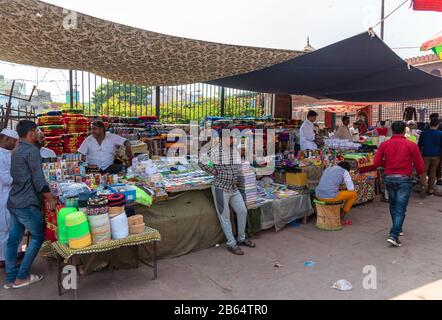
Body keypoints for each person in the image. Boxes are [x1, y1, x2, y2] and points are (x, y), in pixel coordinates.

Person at [5, 120, 57, 289]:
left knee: (13, 240)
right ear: (30, 133)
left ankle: (11, 277)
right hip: (26, 203)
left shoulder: (16, 150)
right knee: (38, 236)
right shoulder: (32, 151)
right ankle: (21, 277)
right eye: (36, 131)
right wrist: (50, 197)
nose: (38, 133)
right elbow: (38, 180)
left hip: (14, 201)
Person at [199, 135, 255, 255]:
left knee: (242, 211)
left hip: (233, 188)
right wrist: (213, 171)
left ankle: (241, 238)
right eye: (229, 138)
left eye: (232, 138)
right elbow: (202, 162)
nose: (231, 140)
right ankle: (231, 243)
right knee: (225, 216)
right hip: (221, 188)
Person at [374, 121, 424, 247]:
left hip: (389, 177)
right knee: (401, 207)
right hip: (404, 178)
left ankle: (398, 228)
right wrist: (420, 172)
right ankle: (394, 234)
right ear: (404, 131)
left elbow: (376, 162)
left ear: (392, 130)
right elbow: (419, 165)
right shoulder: (411, 145)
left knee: (393, 204)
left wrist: (388, 165)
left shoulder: (385, 144)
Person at [0, 129, 19, 269]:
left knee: (12, 227)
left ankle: (13, 254)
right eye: (13, 142)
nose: (15, 144)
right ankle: (5, 259)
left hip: (8, 196)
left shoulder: (6, 154)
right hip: (3, 197)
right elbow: (6, 179)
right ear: (6, 139)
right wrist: (21, 179)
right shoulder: (1, 156)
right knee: (5, 229)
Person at [418, 118, 442, 194]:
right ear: (438, 125)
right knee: (433, 171)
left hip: (425, 154)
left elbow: (419, 144)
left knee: (424, 171)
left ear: (430, 124)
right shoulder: (440, 133)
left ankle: (423, 186)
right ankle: (430, 189)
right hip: (436, 155)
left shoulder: (424, 133)